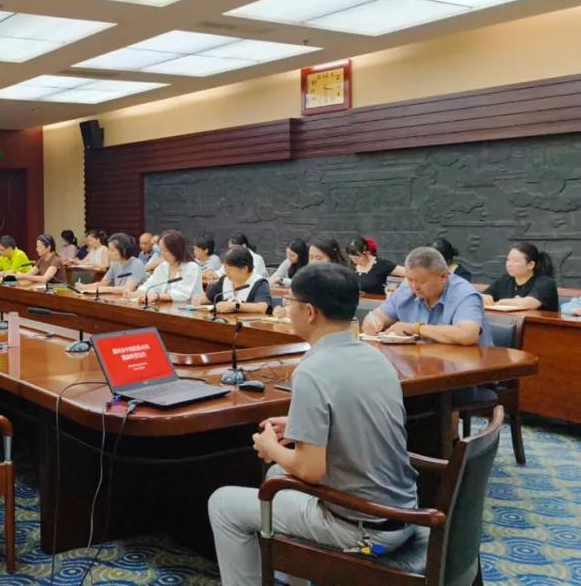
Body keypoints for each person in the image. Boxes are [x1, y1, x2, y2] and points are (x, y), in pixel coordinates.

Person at [208, 263, 418, 585]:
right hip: (402, 513)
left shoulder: (312, 370)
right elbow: (356, 417)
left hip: (363, 531)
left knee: (223, 504)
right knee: (277, 476)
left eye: (289, 302)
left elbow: (310, 471)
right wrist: (298, 422)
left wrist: (270, 447)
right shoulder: (376, 356)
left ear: (309, 312)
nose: (286, 308)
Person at [363, 246, 491, 345]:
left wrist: (416, 328)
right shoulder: (406, 289)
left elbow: (467, 334)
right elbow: (378, 315)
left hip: (469, 365)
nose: (414, 287)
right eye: (410, 279)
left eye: (421, 282)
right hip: (422, 362)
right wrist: (374, 322)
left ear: (443, 277)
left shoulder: (463, 293)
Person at [482, 242, 559, 312]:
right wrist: (485, 297)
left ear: (530, 265)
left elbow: (528, 304)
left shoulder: (546, 283)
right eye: (508, 260)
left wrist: (501, 302)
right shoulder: (505, 279)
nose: (509, 264)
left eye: (515, 261)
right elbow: (484, 295)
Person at [195, 247, 272, 314]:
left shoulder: (259, 282)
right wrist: (198, 300)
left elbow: (262, 307)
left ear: (244, 268)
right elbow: (208, 298)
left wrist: (235, 306)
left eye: (230, 269)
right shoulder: (225, 280)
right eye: (225, 267)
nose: (226, 272)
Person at [134, 230, 202, 305]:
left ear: (177, 249)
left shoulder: (191, 267)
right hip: (166, 308)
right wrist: (136, 293)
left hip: (188, 309)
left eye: (166, 250)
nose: (162, 254)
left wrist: (157, 296)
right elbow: (149, 285)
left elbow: (182, 294)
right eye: (161, 250)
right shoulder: (163, 266)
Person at [75, 232, 146, 296]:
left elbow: (127, 289)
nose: (109, 253)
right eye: (109, 250)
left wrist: (105, 289)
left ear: (124, 251)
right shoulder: (115, 263)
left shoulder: (137, 264)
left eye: (112, 250)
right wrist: (84, 286)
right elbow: (103, 283)